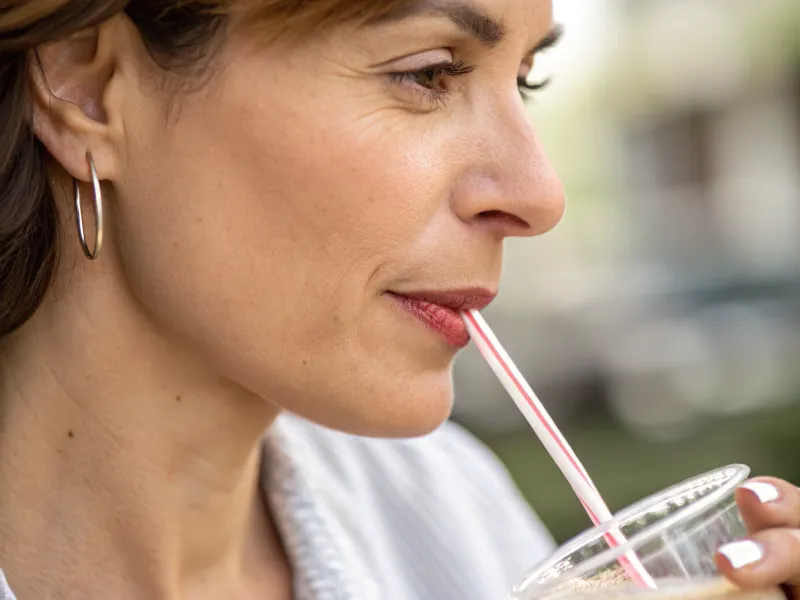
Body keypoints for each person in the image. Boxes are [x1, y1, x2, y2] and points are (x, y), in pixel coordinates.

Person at [0, 1, 797, 598]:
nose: (541, 195)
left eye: (526, 81)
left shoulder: (451, 516)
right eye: (428, 73)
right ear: (91, 86)